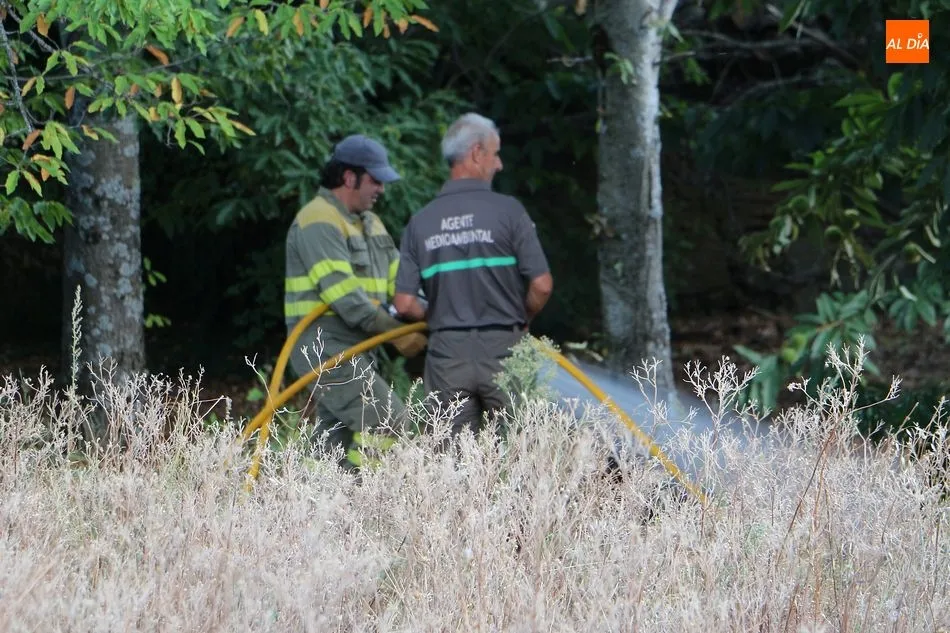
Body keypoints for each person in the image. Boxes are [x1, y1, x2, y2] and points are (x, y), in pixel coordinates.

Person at [392, 113, 553, 438]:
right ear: (477, 153)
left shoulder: (420, 222)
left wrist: (437, 315)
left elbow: (404, 303)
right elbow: (542, 285)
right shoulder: (509, 212)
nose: (499, 165)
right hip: (505, 348)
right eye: (495, 154)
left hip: (446, 354)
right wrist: (522, 318)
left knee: (450, 458)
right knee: (523, 452)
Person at [284, 134, 428, 468]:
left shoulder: (371, 223)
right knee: (389, 421)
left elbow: (399, 282)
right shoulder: (318, 220)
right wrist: (398, 333)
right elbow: (345, 297)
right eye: (375, 180)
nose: (382, 189)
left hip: (357, 346)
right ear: (349, 177)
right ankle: (371, 494)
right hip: (322, 346)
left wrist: (430, 310)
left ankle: (319, 496)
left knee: (333, 443)